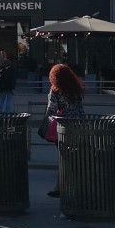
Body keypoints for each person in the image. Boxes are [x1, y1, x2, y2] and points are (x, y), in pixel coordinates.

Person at [45, 63, 85, 198]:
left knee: (64, 157)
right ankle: (63, 186)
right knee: (71, 157)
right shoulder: (75, 87)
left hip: (63, 128)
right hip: (78, 127)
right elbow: (80, 109)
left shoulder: (56, 90)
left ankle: (61, 187)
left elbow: (51, 110)